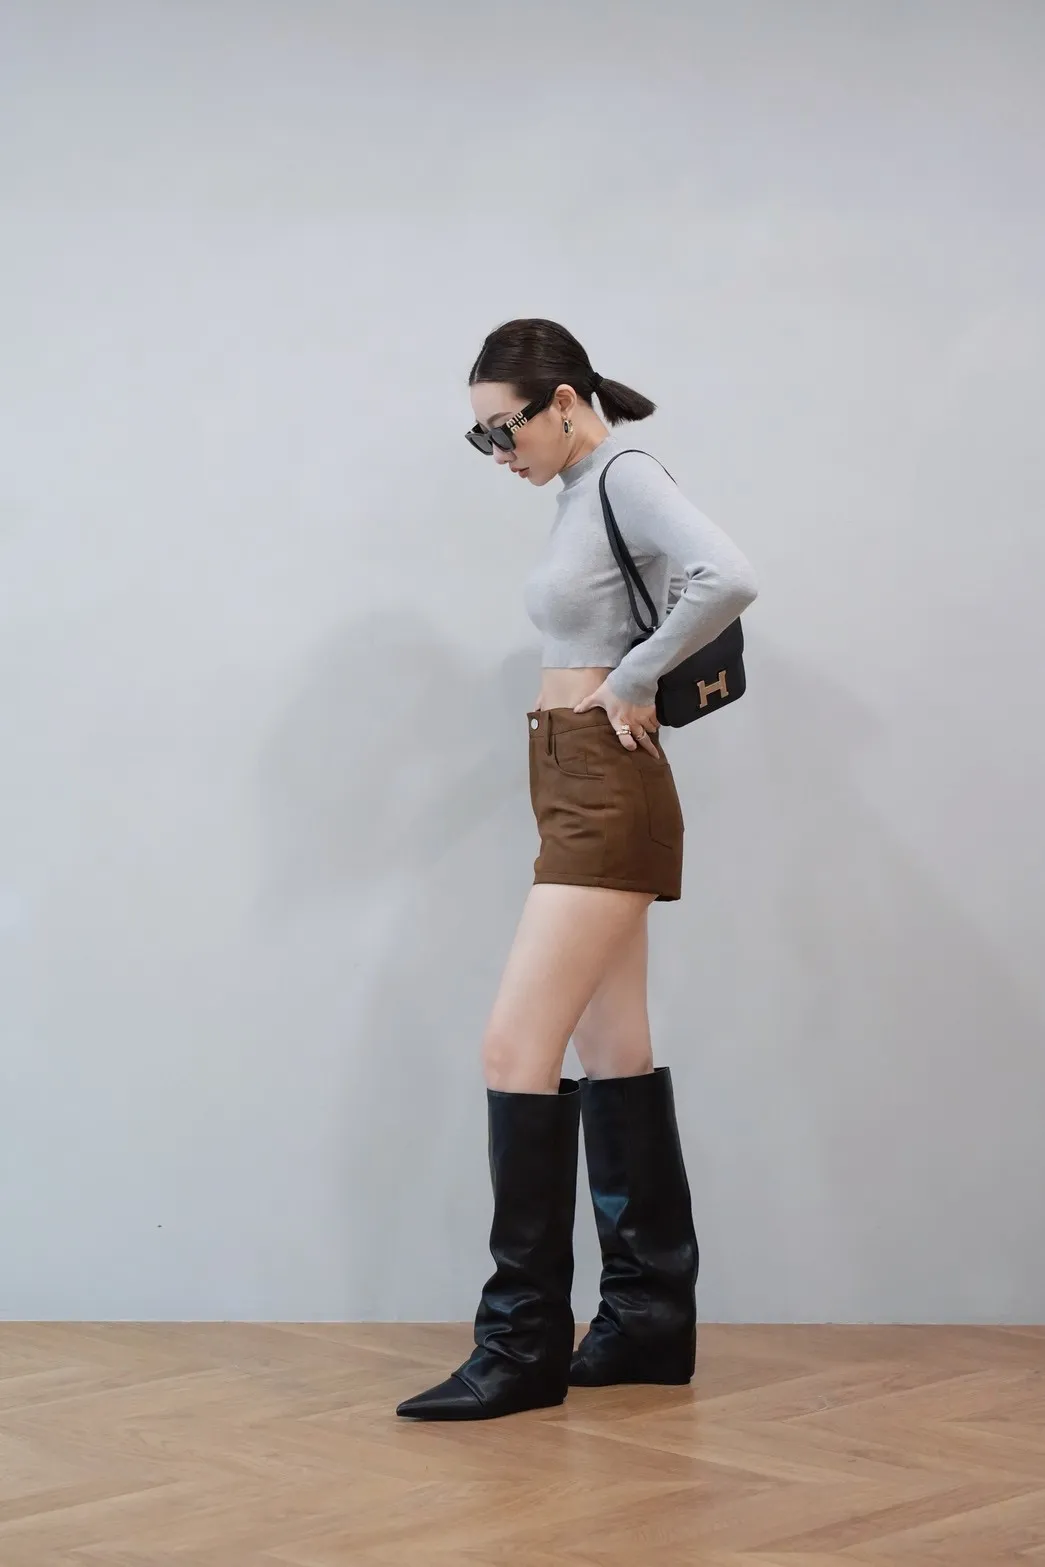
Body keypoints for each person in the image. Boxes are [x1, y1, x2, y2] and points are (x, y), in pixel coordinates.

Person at [396, 318, 758, 1421]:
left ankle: (520, 1345)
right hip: (571, 777)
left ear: (562, 401)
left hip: (604, 783)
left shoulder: (624, 472)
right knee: (614, 1048)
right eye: (479, 438)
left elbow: (728, 575)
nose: (496, 452)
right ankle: (645, 1319)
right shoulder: (574, 491)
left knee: (515, 1046)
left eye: (502, 429)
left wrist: (634, 678)